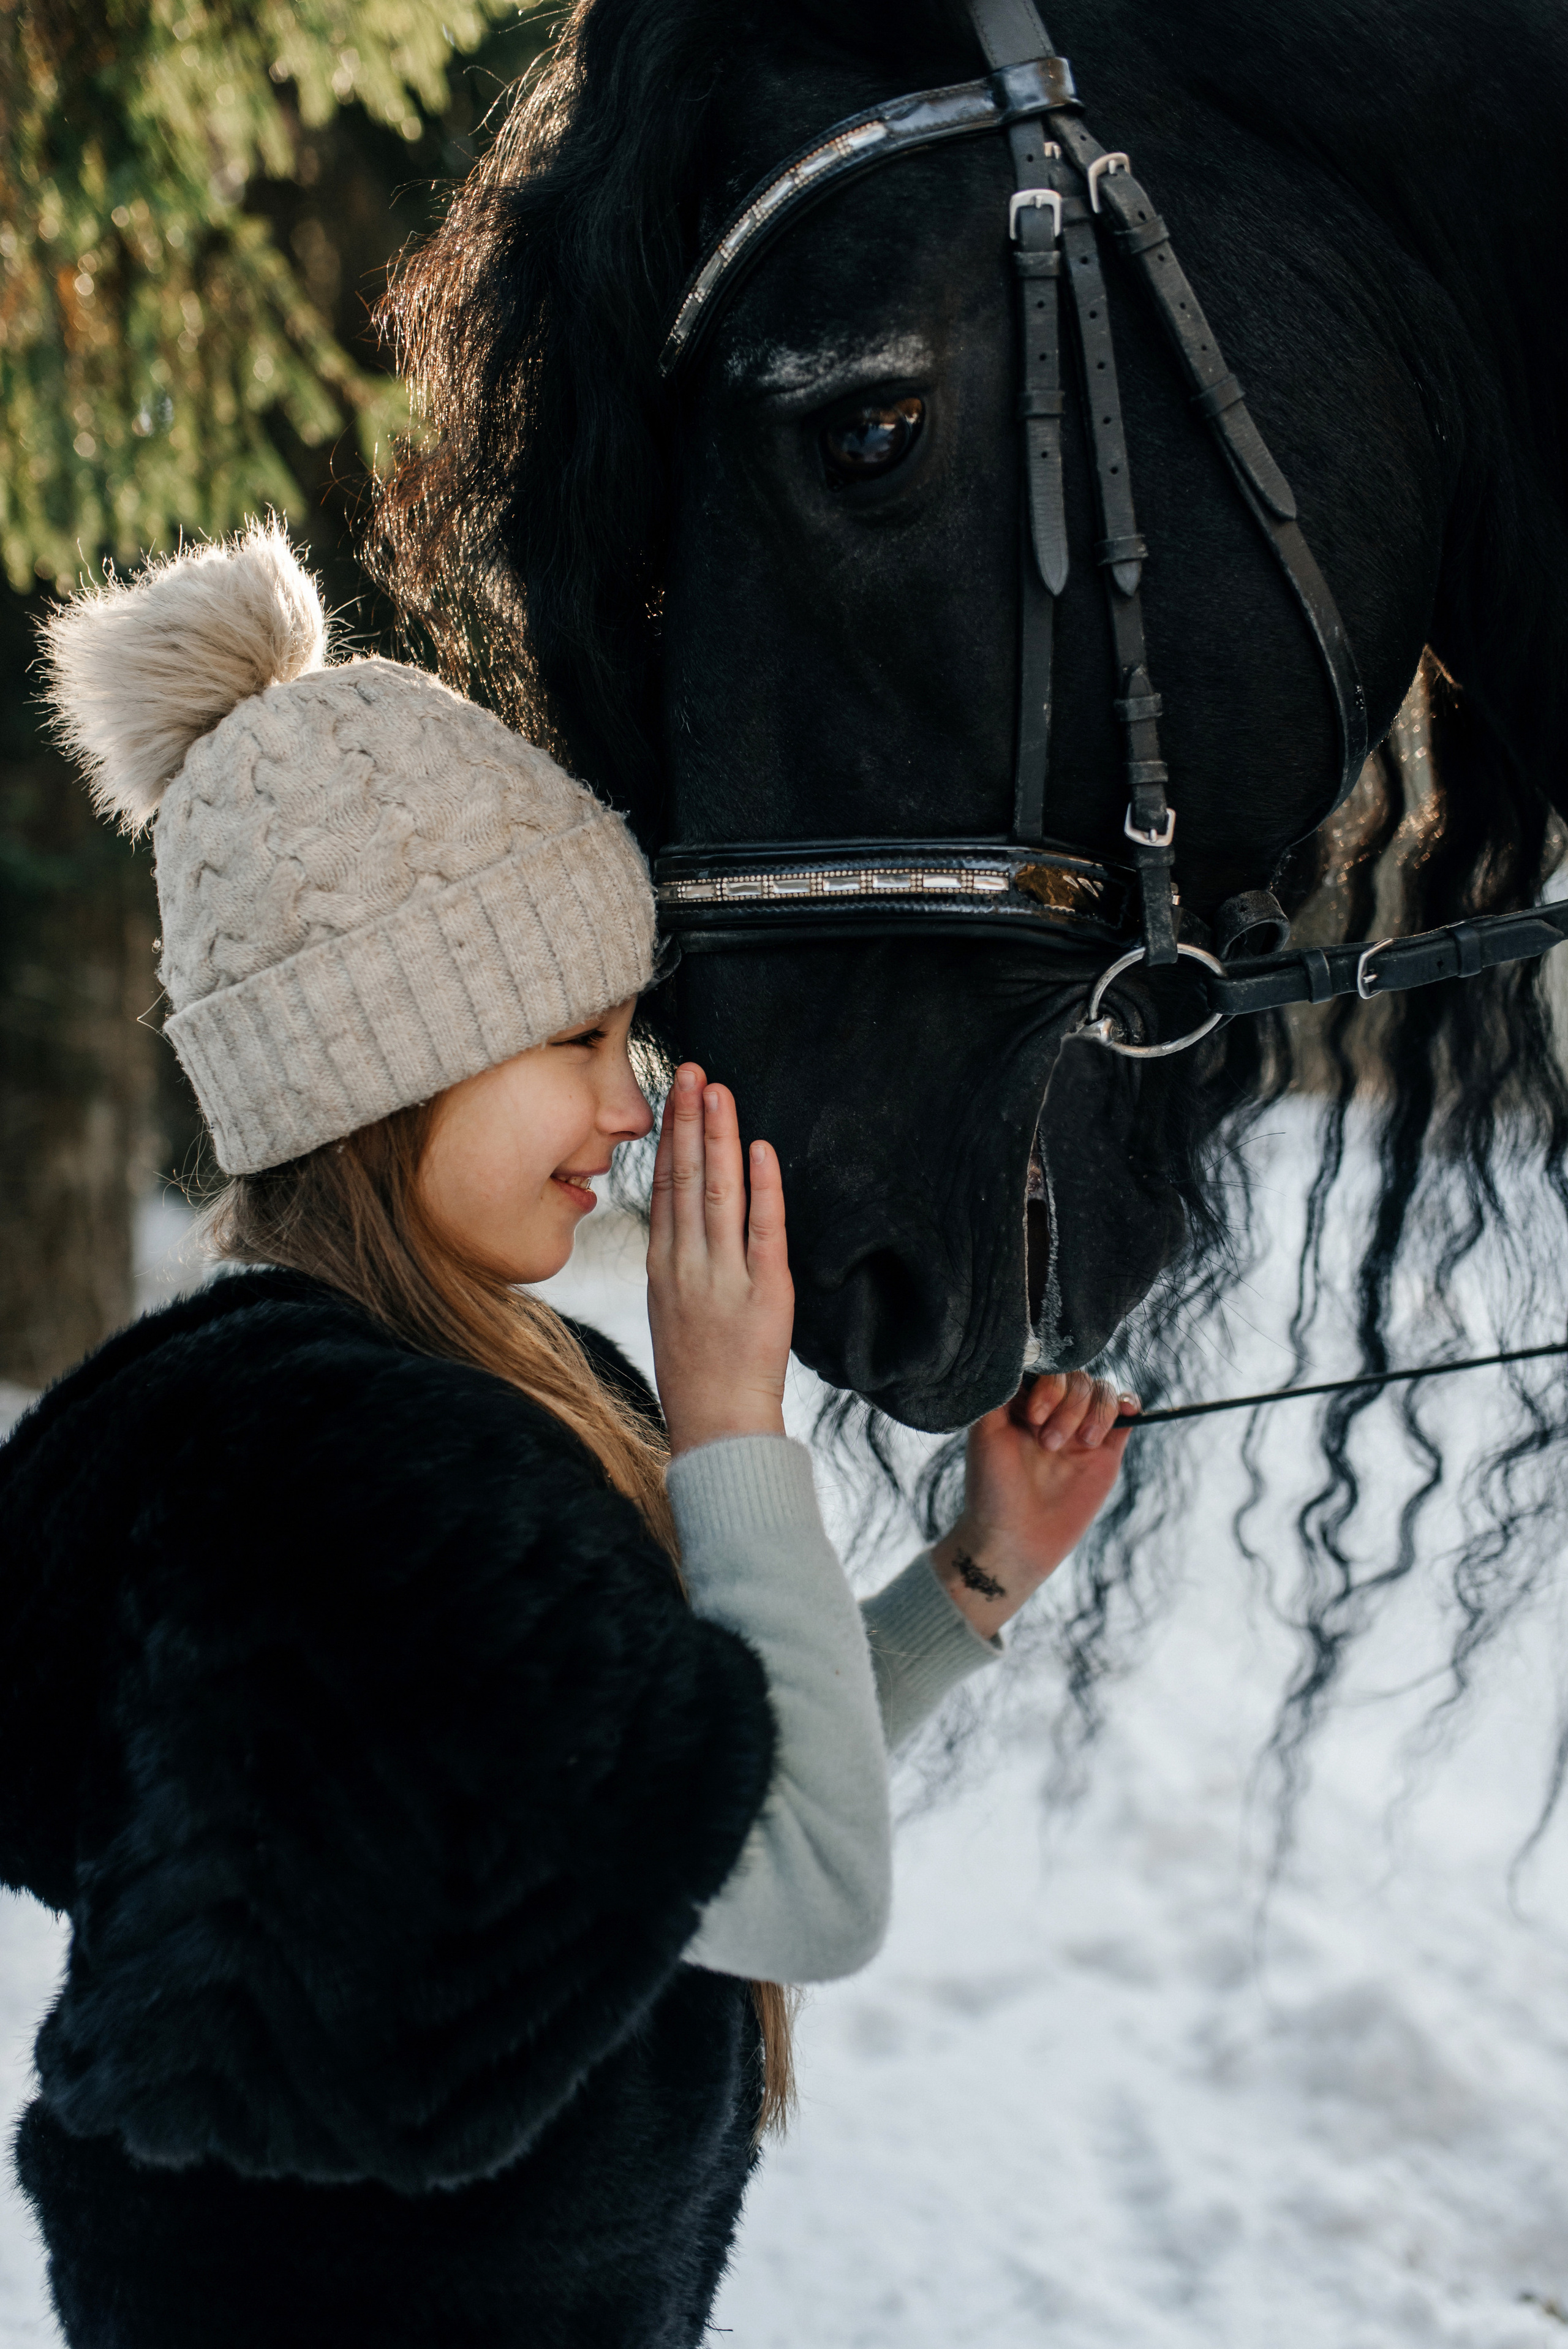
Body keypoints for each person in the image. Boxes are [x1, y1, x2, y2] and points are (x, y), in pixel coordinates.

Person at [0, 521, 1136, 2349]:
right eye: (579, 1034)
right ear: (388, 1054)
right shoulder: (347, 1474)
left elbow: (673, 1788)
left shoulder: (465, 1394)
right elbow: (803, 1889)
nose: (632, 1102)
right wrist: (730, 1421)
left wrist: (974, 1574)